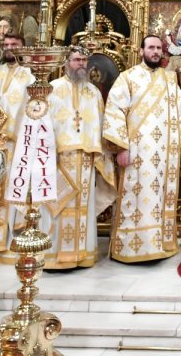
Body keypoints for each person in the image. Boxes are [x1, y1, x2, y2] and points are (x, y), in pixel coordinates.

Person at [103, 34, 181, 262]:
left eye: (158, 48)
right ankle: (130, 248)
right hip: (135, 152)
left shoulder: (169, 80)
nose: (155, 52)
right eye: (151, 48)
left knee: (158, 198)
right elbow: (115, 111)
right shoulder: (127, 78)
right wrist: (120, 147)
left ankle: (159, 243)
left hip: (164, 154)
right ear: (141, 51)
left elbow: (180, 110)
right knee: (133, 198)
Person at [42, 47, 117, 268]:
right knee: (57, 205)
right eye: (76, 60)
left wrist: (103, 158)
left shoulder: (93, 93)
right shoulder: (53, 89)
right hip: (60, 159)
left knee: (84, 208)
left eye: (84, 59)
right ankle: (53, 257)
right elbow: (44, 125)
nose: (81, 64)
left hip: (85, 161)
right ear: (66, 62)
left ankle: (82, 256)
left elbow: (101, 125)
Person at [0, 32, 35, 260]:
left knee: (14, 192)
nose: (9, 48)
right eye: (6, 45)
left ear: (22, 48)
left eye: (14, 45)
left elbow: (33, 111)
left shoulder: (30, 77)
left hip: (17, 145)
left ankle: (11, 244)